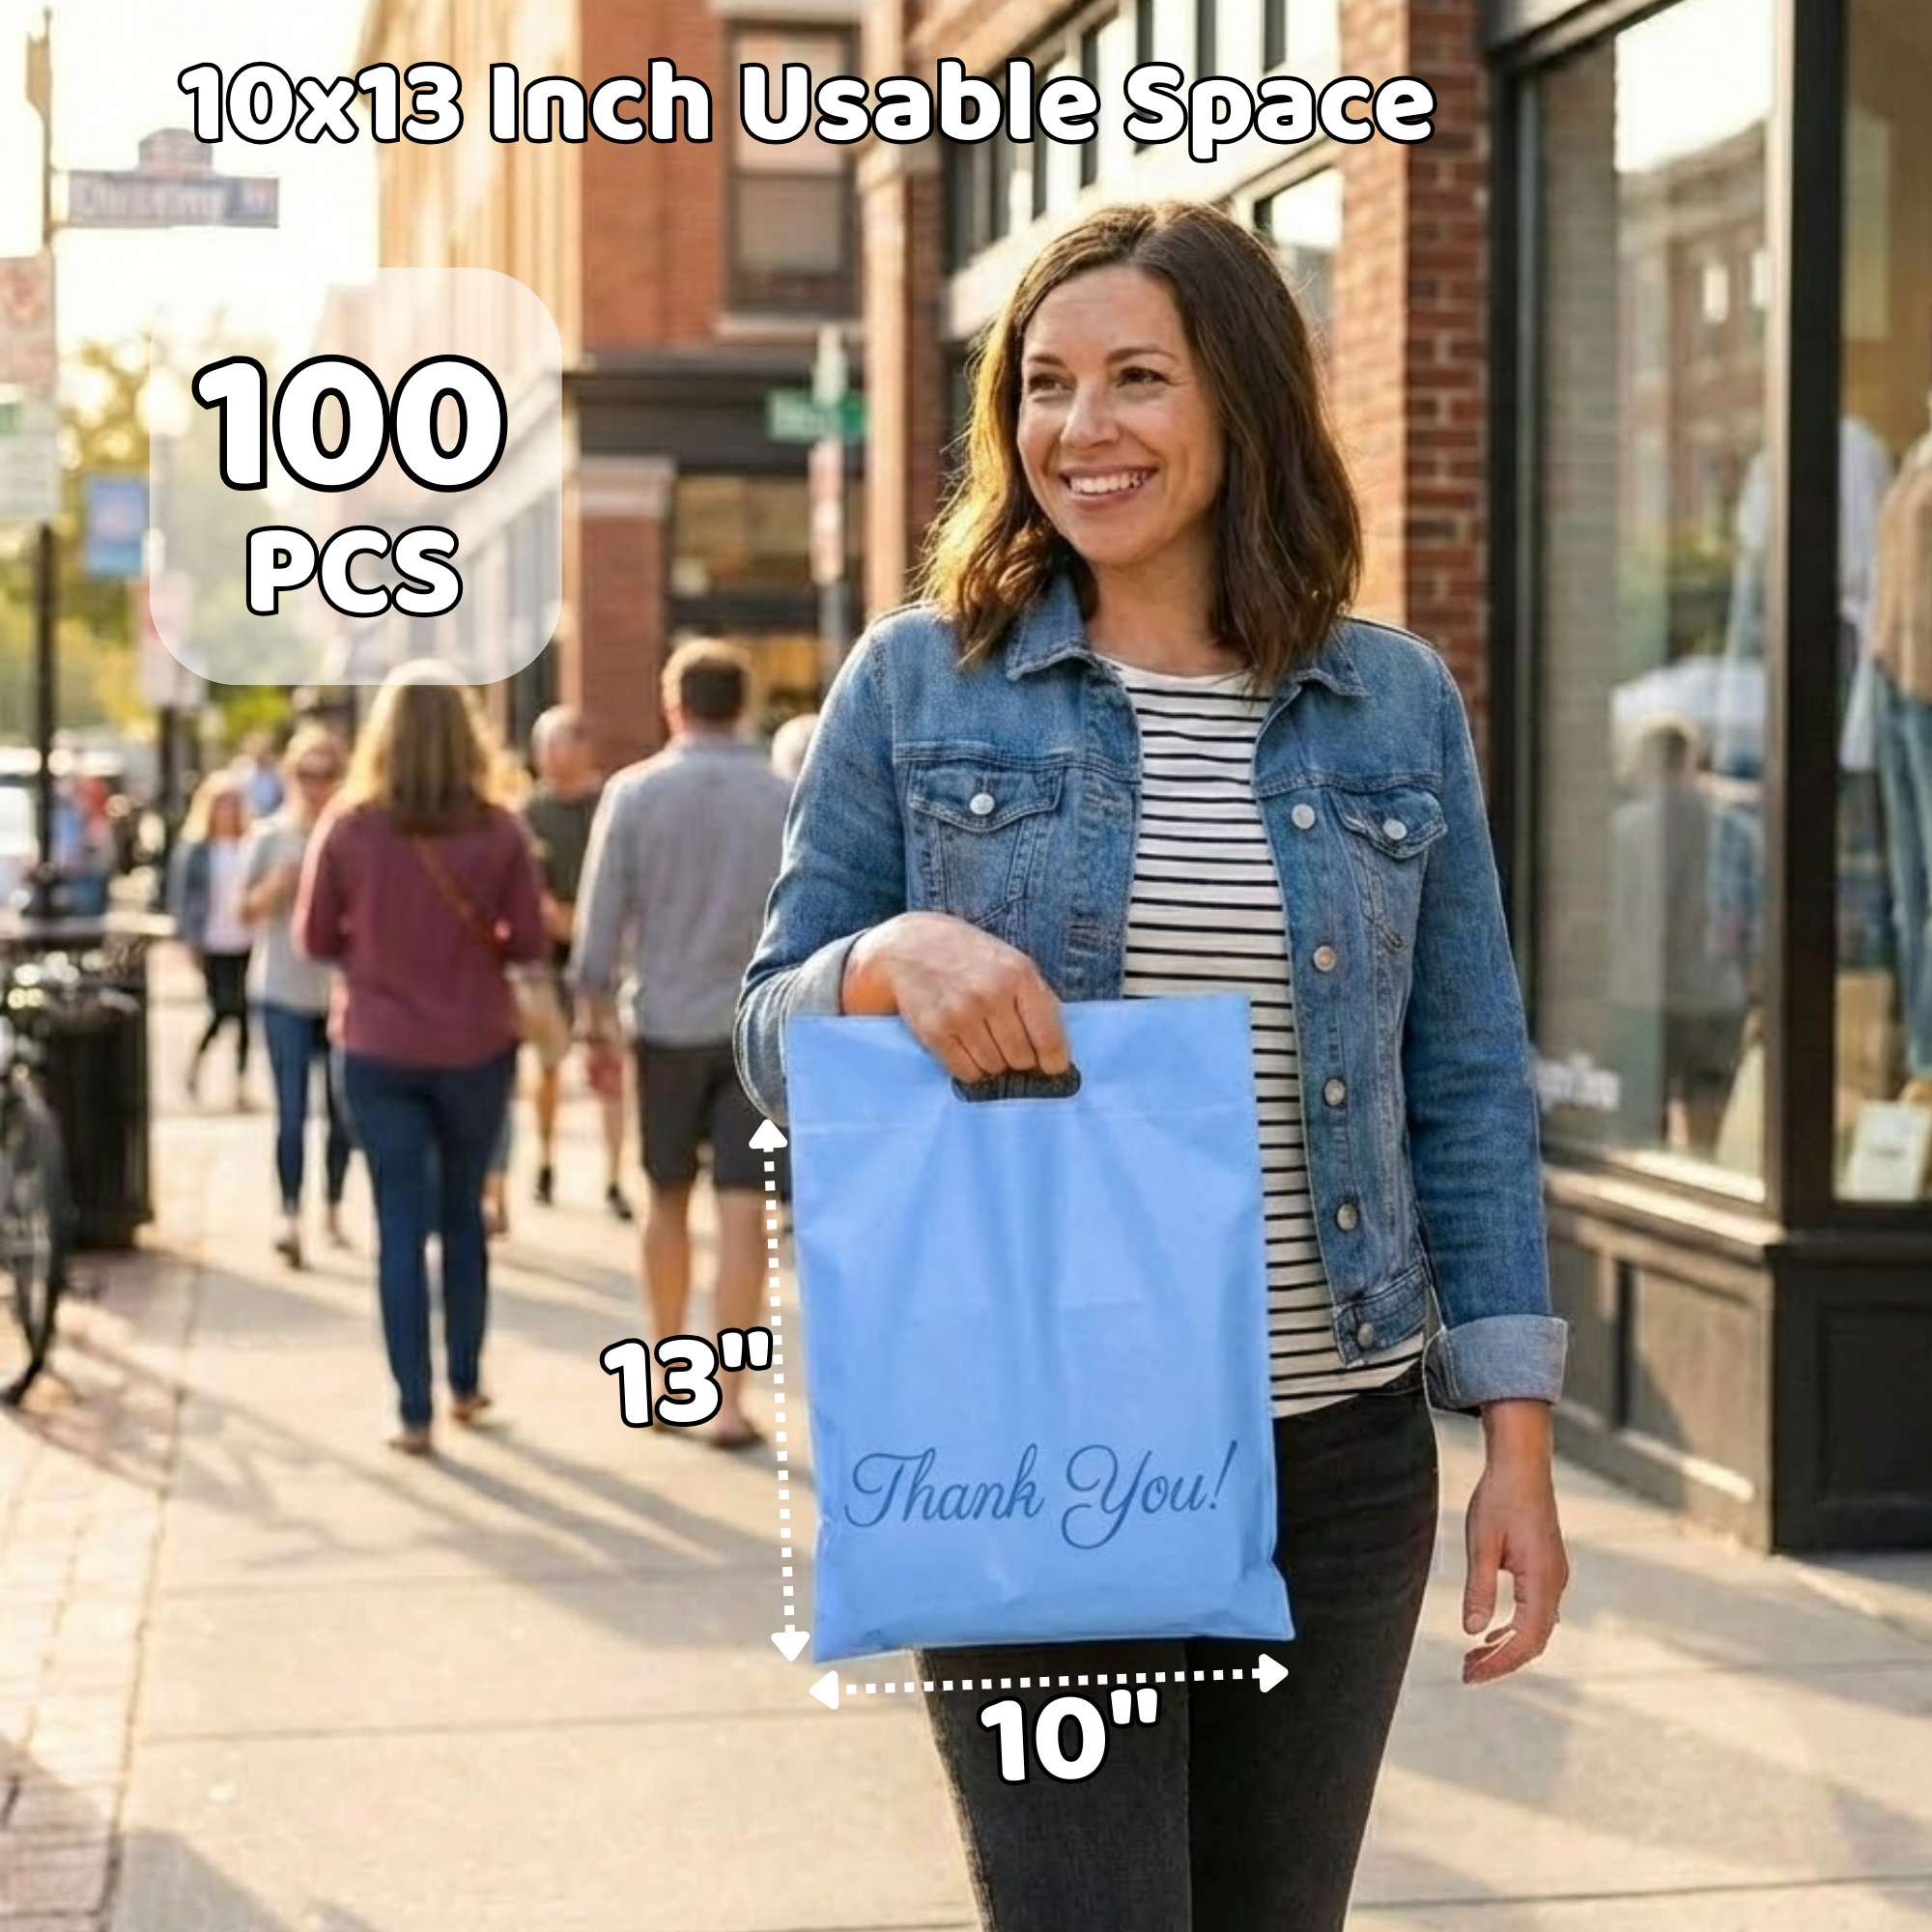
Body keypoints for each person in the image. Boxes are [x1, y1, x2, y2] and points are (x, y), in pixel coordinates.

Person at [734, 200, 1572, 1931]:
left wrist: (1519, 1439)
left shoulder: (1393, 704)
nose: (1080, 429)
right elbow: (763, 1033)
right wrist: (881, 963)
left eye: (1135, 379)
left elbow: (1468, 1077)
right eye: (1044, 385)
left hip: (1338, 1455)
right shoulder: (919, 685)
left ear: (1244, 401)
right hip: (1037, 1431)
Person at [295, 662, 547, 1456]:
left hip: (376, 1047)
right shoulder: (499, 828)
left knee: (398, 1223)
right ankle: (466, 1380)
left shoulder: (349, 824)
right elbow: (532, 942)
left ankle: (412, 1410)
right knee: (464, 1213)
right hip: (475, 1046)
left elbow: (313, 940)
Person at [574, 639, 792, 1450]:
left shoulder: (632, 796)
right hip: (757, 1032)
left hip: (663, 1023)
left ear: (673, 705)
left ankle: (670, 1382)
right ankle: (729, 1402)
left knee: (665, 1199)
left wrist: (592, 1024)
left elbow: (599, 929)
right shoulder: (785, 796)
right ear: (742, 705)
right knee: (748, 1213)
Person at [241, 725, 354, 1268]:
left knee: (342, 1112)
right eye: (306, 773)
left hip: (337, 993)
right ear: (290, 776)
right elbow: (241, 913)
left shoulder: (351, 835)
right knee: (290, 1112)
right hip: (282, 990)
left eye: (326, 774)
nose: (315, 784)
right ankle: (289, 1214)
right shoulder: (269, 836)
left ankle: (331, 1207)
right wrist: (275, 888)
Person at [522, 706, 631, 1220]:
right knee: (547, 1065)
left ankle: (614, 1177)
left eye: (557, 745)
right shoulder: (529, 812)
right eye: (543, 746)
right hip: (546, 959)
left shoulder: (609, 805)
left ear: (583, 749)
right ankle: (545, 1163)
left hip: (604, 959)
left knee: (610, 1067)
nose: (547, 756)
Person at [169, 772, 256, 1110]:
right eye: (222, 805)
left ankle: (241, 1082)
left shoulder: (250, 844)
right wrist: (188, 942)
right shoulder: (197, 849)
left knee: (245, 1015)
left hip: (246, 940)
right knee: (222, 1010)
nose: (228, 812)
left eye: (233, 805)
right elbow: (183, 898)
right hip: (212, 940)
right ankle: (195, 1065)